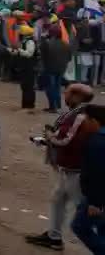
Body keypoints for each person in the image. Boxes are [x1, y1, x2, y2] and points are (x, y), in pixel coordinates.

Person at [27, 83, 99, 251]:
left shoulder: (80, 116)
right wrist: (47, 140)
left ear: (77, 96)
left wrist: (50, 138)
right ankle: (54, 236)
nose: (64, 96)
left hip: (75, 170)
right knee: (58, 200)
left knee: (85, 209)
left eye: (67, 93)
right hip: (68, 167)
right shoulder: (77, 113)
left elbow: (67, 140)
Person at [73, 107, 105, 254]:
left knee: (80, 226)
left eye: (85, 120)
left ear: (94, 121)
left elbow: (98, 174)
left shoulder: (97, 142)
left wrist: (95, 202)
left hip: (97, 197)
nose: (83, 124)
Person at [41, 22, 74, 113]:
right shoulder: (66, 45)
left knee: (50, 88)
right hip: (61, 69)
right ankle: (58, 106)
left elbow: (42, 57)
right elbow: (69, 58)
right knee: (57, 87)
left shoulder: (47, 44)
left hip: (49, 68)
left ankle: (53, 106)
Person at [12, 23, 39, 109]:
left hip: (29, 67)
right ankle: (25, 104)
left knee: (29, 86)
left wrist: (19, 50)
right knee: (24, 86)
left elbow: (29, 54)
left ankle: (29, 105)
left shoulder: (30, 42)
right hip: (24, 67)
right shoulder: (24, 41)